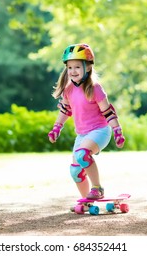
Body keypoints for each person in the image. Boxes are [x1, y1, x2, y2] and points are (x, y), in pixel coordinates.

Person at [48, 43, 125, 201]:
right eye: (70, 68)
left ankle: (97, 188)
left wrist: (117, 131)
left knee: (83, 155)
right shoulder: (68, 90)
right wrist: (56, 128)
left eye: (77, 67)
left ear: (88, 67)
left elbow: (108, 112)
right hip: (82, 135)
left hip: (100, 131)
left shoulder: (95, 88)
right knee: (75, 170)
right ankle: (87, 201)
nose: (73, 71)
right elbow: (65, 110)